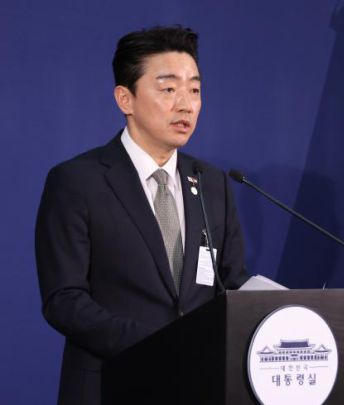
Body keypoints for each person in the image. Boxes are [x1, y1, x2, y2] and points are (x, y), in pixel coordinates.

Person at [35, 25, 249, 405]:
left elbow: (230, 283)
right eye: (168, 89)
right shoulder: (77, 182)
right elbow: (63, 300)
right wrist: (159, 343)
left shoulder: (212, 183)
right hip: (112, 384)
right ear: (125, 99)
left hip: (200, 387)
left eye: (194, 90)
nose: (185, 105)